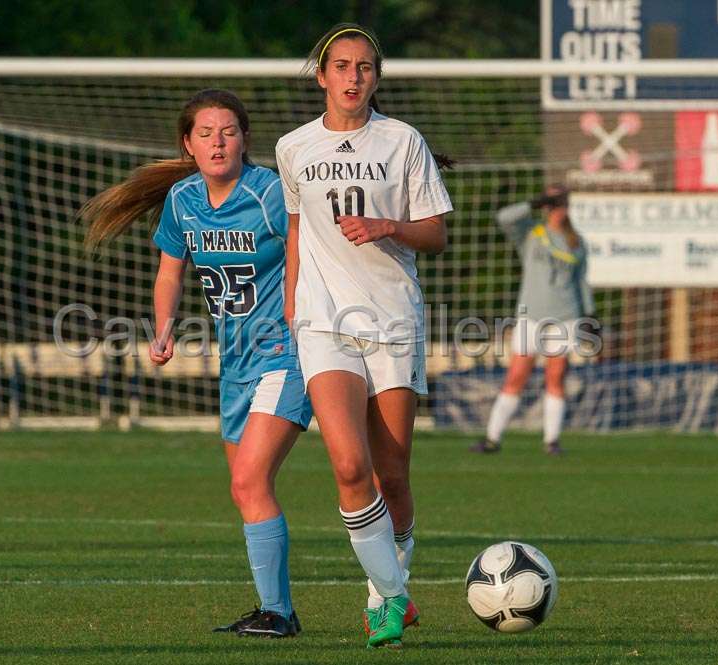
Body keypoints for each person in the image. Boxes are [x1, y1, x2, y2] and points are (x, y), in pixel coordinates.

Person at [82, 89, 311, 639]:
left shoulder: (269, 194)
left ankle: (284, 613)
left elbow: (309, 245)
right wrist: (162, 328)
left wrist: (299, 304)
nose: (218, 141)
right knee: (245, 486)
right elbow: (169, 272)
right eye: (205, 133)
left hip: (288, 355)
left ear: (245, 140)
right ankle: (275, 609)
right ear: (187, 144)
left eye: (228, 131)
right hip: (233, 363)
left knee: (250, 479)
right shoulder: (183, 200)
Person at [275, 23, 453, 648]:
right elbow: (297, 233)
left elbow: (435, 232)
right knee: (349, 467)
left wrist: (388, 226)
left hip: (394, 318)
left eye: (366, 68)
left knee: (392, 474)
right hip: (323, 322)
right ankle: (396, 599)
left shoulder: (403, 142)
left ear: (377, 78)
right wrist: (292, 306)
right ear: (321, 75)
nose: (354, 77)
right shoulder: (293, 147)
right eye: (342, 66)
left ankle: (382, 593)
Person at [472, 187, 594, 455]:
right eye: (551, 202)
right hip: (532, 315)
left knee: (556, 376)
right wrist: (533, 203)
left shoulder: (576, 242)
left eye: (560, 202)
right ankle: (493, 438)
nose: (556, 208)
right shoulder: (532, 234)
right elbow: (504, 217)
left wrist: (588, 314)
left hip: (565, 316)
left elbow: (581, 281)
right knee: (516, 375)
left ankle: (551, 441)